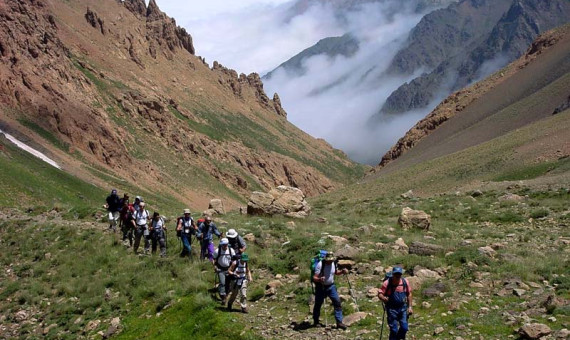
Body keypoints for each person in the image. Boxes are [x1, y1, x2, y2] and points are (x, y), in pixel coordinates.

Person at [312, 252, 349, 330]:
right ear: (326, 259)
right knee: (318, 304)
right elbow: (314, 277)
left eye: (331, 260)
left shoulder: (333, 263)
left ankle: (339, 322)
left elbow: (335, 272)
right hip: (321, 287)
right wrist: (319, 279)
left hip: (331, 286)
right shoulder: (320, 264)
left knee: (337, 302)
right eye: (329, 260)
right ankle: (316, 321)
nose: (330, 261)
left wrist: (342, 272)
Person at [378, 266, 413, 340]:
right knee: (394, 330)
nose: (397, 276)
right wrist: (383, 298)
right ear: (392, 274)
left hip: (403, 308)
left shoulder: (405, 282)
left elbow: (409, 294)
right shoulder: (387, 283)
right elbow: (380, 293)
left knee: (404, 328)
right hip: (391, 309)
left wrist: (410, 307)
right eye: (396, 274)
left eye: (399, 274)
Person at [212, 238, 235, 305]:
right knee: (222, 282)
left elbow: (234, 260)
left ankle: (225, 294)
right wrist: (215, 267)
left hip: (229, 269)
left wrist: (231, 268)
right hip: (220, 269)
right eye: (223, 245)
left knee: (227, 283)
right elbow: (213, 259)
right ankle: (223, 298)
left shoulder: (231, 250)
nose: (224, 246)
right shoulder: (217, 251)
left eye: (225, 245)